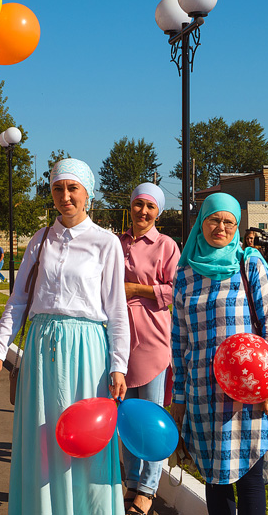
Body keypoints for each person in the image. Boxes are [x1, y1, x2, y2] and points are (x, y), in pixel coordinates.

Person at [0, 158, 129, 515]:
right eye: (58, 188)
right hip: (42, 347)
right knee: (41, 437)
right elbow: (18, 301)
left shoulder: (105, 242)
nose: (65, 196)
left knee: (86, 438)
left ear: (87, 194)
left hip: (88, 350)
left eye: (73, 188)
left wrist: (118, 365)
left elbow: (118, 310)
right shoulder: (40, 239)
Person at [171, 193, 268, 515]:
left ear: (237, 226)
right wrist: (179, 396)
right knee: (214, 477)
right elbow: (179, 340)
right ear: (201, 222)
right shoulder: (185, 273)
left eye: (228, 222)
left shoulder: (249, 263)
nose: (221, 227)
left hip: (249, 387)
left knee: (250, 478)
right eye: (214, 220)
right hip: (202, 389)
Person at [118, 182, 180, 515]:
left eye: (150, 207)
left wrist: (136, 289)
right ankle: (131, 481)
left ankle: (148, 487)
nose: (144, 211)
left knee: (153, 415)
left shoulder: (166, 245)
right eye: (139, 204)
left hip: (153, 341)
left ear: (159, 212)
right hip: (118, 342)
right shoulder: (117, 243)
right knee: (125, 415)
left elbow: (175, 291)